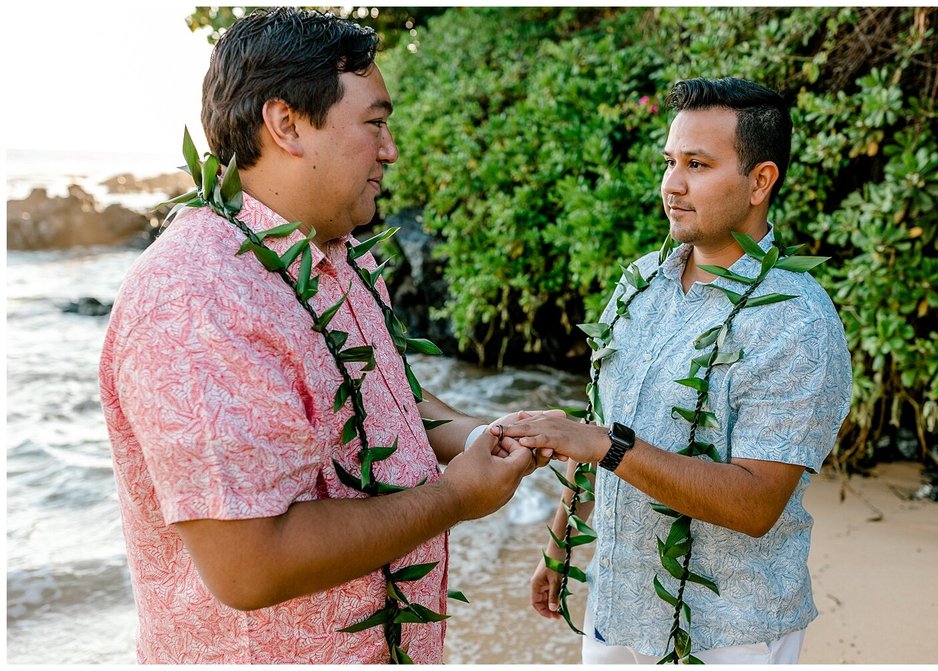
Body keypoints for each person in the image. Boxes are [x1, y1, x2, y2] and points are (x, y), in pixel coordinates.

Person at [99, 8, 545, 664]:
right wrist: (455, 497)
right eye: (375, 122)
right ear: (287, 124)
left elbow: (391, 404)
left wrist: (486, 437)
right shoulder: (195, 297)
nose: (390, 150)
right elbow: (251, 564)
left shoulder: (345, 256)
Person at [500, 77, 853, 663]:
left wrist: (606, 446)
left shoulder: (797, 320)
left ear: (760, 181)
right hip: (617, 610)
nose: (672, 184)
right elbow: (598, 424)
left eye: (697, 164)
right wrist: (560, 544)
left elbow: (755, 504)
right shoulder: (641, 284)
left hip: (731, 631)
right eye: (669, 161)